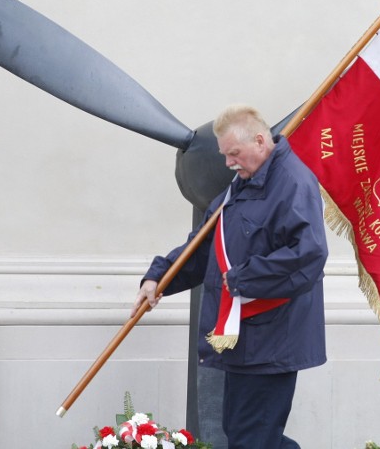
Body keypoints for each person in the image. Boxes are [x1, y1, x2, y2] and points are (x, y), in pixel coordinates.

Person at [132, 104, 328, 448]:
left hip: (271, 341)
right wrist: (158, 277)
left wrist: (242, 279)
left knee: (251, 440)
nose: (228, 164)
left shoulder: (294, 182)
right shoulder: (241, 183)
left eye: (233, 153)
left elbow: (307, 255)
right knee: (246, 436)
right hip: (243, 342)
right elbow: (205, 246)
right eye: (225, 155)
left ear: (259, 141)